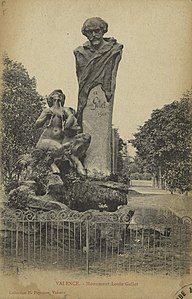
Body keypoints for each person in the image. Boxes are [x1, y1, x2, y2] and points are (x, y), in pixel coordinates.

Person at [74, 17, 123, 126]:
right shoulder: (79, 52)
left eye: (97, 31)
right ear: (85, 34)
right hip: (86, 97)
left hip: (104, 95)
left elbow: (113, 74)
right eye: (89, 32)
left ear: (103, 31)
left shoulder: (114, 50)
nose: (94, 35)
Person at [35, 89, 91, 176]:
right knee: (59, 148)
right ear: (52, 97)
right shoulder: (48, 111)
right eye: (56, 94)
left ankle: (79, 167)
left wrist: (68, 121)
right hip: (45, 140)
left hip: (59, 142)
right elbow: (37, 125)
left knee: (83, 139)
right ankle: (51, 163)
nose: (59, 96)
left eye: (61, 95)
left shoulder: (65, 111)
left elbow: (71, 117)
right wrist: (45, 117)